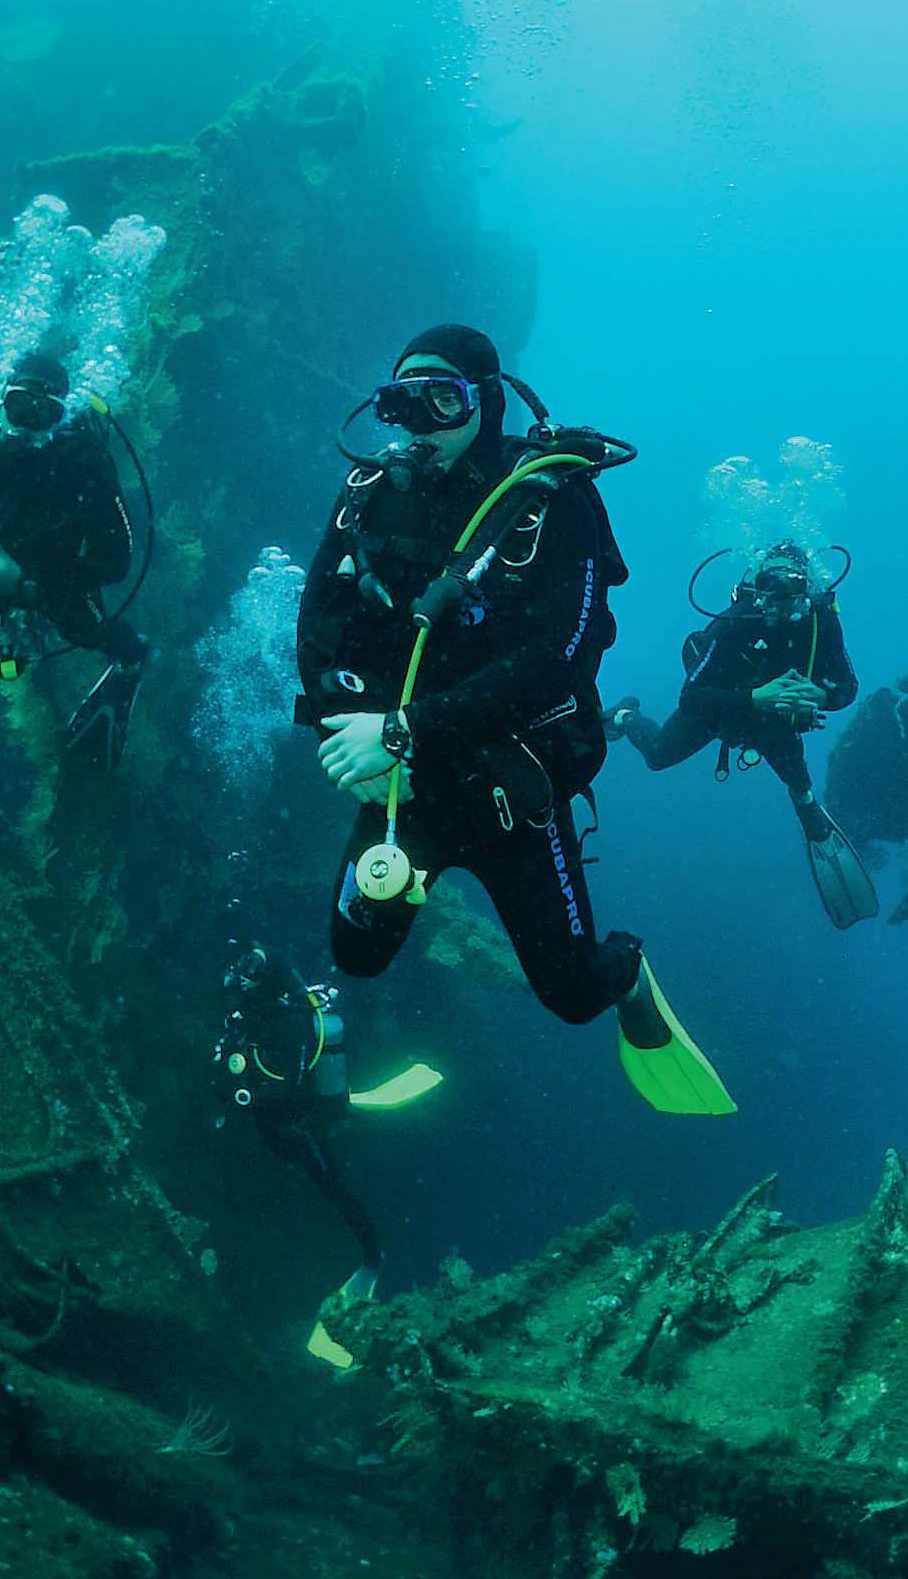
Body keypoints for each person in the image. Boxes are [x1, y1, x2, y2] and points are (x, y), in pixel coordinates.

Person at [294, 323, 734, 1115]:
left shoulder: (551, 500)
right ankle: (419, 888)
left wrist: (402, 731)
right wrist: (353, 732)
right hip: (403, 789)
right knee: (354, 955)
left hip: (509, 791)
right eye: (403, 400)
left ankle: (628, 973)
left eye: (445, 397)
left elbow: (553, 664)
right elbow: (317, 623)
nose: (422, 421)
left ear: (485, 401)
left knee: (570, 994)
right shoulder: (368, 493)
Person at [607, 543, 880, 929]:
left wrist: (821, 695)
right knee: (656, 755)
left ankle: (813, 820)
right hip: (721, 710)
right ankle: (624, 715)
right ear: (757, 583)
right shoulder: (737, 619)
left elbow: (848, 687)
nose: (778, 597)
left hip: (775, 725)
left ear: (807, 588)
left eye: (790, 585)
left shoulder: (821, 622)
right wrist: (755, 698)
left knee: (802, 792)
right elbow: (691, 696)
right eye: (769, 583)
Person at [0, 351, 149, 767]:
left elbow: (116, 562)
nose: (29, 423)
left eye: (45, 413)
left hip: (55, 560)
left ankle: (132, 662)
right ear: (2, 399)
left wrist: (25, 583)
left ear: (61, 416)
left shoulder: (83, 459)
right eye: (20, 405)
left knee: (83, 628)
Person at [208, 936, 440, 1365]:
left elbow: (288, 1085)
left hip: (301, 1127)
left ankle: (373, 1257)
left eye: (252, 968)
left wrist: (243, 1093)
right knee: (291, 1171)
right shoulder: (255, 1013)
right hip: (272, 1126)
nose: (240, 974)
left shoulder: (289, 1024)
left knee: (334, 1188)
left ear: (268, 981)